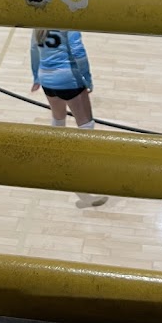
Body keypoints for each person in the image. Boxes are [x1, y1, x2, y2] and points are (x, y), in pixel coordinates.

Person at [30, 27, 107, 209]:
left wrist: (36, 77)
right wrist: (87, 78)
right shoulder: (68, 24)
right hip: (68, 78)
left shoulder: (37, 25)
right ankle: (82, 170)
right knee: (86, 124)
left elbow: (33, 50)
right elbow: (78, 51)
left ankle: (56, 161)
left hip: (46, 78)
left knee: (58, 119)